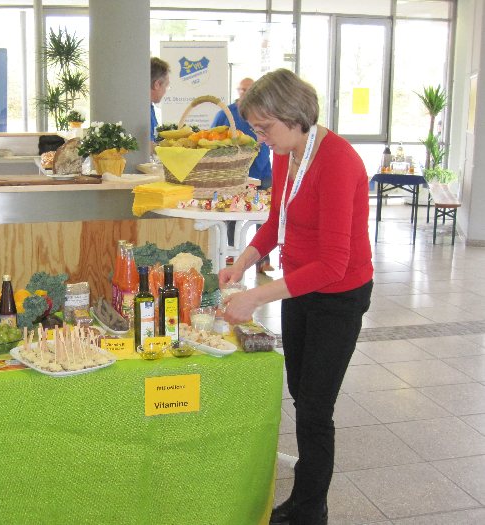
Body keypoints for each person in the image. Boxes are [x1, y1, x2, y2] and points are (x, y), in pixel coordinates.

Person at [218, 68, 373, 525]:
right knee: (300, 393)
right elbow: (276, 222)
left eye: (264, 127)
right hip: (301, 287)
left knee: (316, 409)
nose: (261, 138)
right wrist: (242, 262)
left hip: (339, 295)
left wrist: (256, 297)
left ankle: (310, 510)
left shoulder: (338, 162)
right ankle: (304, 499)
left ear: (293, 116)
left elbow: (334, 264)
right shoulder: (287, 152)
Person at [213, 77, 273, 272]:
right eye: (242, 89)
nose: (245, 93)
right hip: (235, 175)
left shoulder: (265, 113)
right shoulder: (226, 114)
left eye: (249, 89)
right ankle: (232, 256)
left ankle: (263, 261)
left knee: (265, 216)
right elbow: (212, 139)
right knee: (232, 214)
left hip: (262, 172)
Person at [150, 57, 170, 142]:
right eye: (166, 85)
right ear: (157, 84)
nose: (165, 91)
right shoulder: (142, 112)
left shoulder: (149, 108)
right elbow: (146, 145)